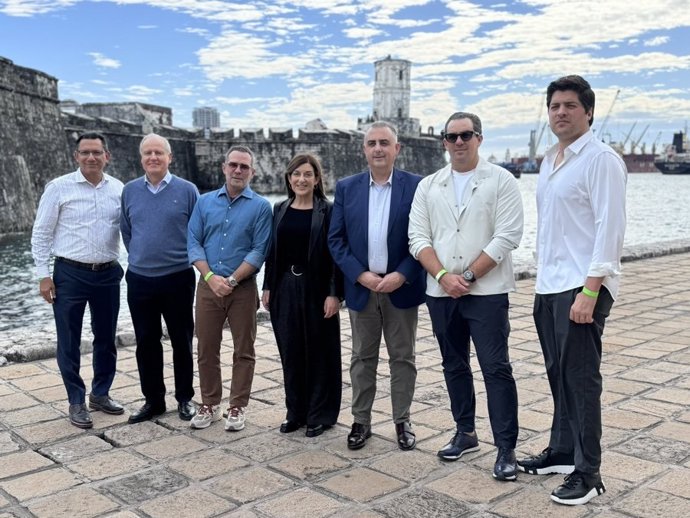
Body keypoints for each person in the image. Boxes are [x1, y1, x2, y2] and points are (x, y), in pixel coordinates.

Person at [517, 75, 627, 505]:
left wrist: (591, 288)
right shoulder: (550, 160)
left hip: (582, 286)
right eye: (554, 106)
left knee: (581, 381)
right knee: (557, 374)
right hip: (550, 284)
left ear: (589, 111)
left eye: (569, 105)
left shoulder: (601, 159)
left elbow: (609, 227)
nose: (560, 112)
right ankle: (562, 451)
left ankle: (588, 472)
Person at [408, 112, 524, 481]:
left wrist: (469, 276)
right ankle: (466, 432)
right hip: (440, 291)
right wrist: (443, 276)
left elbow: (507, 236)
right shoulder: (428, 186)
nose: (459, 142)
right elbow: (418, 239)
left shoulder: (501, 180)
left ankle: (506, 448)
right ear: (443, 141)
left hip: (486, 292)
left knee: (495, 368)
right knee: (453, 365)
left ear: (479, 138)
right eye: (451, 136)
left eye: (466, 135)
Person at [328, 121, 425, 451]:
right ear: (364, 149)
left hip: (402, 287)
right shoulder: (346, 188)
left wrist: (403, 274)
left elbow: (425, 237)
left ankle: (402, 420)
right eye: (372, 143)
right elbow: (336, 239)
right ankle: (361, 421)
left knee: (403, 358)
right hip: (362, 288)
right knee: (362, 358)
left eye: (385, 142)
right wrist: (359, 274)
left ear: (397, 149)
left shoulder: (416, 187)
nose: (378, 148)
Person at [31, 131, 125, 429]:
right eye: (85, 152)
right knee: (68, 340)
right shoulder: (59, 188)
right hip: (69, 274)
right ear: (76, 156)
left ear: (106, 156)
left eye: (97, 152)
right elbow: (41, 233)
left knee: (106, 337)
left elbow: (130, 231)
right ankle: (75, 399)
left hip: (108, 272)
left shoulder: (119, 189)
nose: (91, 157)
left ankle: (100, 393)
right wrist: (43, 276)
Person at [187, 145, 272, 431]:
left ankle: (237, 406)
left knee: (244, 349)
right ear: (224, 167)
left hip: (243, 288)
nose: (238, 170)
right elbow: (193, 242)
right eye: (233, 165)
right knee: (206, 347)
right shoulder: (204, 202)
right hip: (208, 285)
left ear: (252, 172)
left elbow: (259, 249)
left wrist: (232, 280)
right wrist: (210, 277)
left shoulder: (261, 207)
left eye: (244, 167)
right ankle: (209, 403)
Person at [261, 154, 343, 438]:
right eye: (296, 174)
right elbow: (273, 252)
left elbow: (335, 255)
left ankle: (320, 414)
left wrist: (334, 293)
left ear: (317, 179)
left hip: (317, 288)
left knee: (319, 352)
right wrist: (268, 286)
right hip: (285, 288)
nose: (301, 179)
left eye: (308, 174)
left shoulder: (328, 211)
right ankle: (295, 412)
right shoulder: (280, 208)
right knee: (291, 351)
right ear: (288, 178)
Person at [120, 133, 199, 424]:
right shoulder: (129, 191)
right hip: (140, 279)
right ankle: (153, 400)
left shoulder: (188, 190)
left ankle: (185, 398)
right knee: (146, 341)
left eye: (158, 153)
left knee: (182, 340)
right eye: (147, 153)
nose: (153, 157)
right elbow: (126, 231)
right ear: (141, 159)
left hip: (178, 277)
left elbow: (197, 232)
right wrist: (142, 257)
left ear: (170, 157)